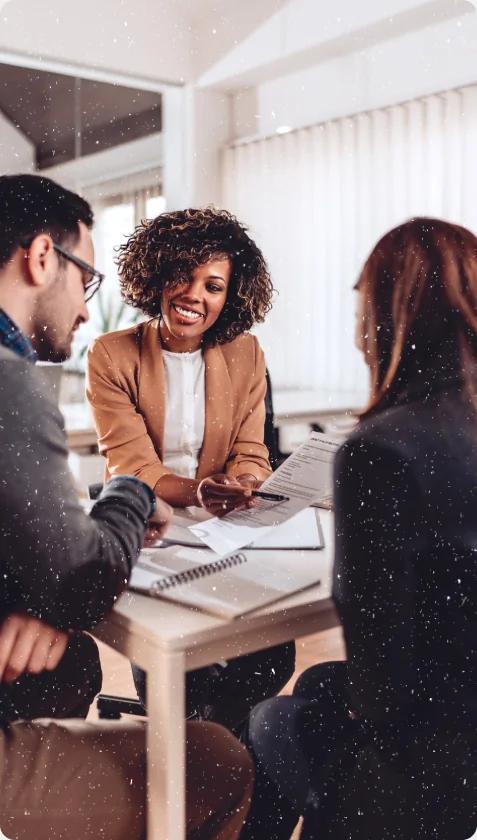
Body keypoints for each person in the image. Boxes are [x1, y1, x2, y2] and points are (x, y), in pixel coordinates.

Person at [0, 173, 253, 839]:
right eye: (85, 283)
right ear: (42, 257)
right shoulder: (9, 376)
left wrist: (36, 597)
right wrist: (131, 494)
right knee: (223, 762)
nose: (86, 311)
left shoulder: (242, 356)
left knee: (73, 659)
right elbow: (82, 577)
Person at [241, 217, 477, 840]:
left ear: (390, 317)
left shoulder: (382, 451)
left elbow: (382, 677)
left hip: (431, 769)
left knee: (269, 720)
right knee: (318, 681)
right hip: (464, 717)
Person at [86, 207, 295, 730]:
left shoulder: (245, 353)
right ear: (157, 272)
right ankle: (194, 750)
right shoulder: (112, 355)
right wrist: (200, 490)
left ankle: (217, 751)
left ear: (231, 295)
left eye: (214, 285)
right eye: (184, 274)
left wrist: (244, 484)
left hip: (226, 526)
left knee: (268, 654)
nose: (194, 295)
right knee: (176, 668)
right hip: (151, 523)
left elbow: (252, 451)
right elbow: (133, 465)